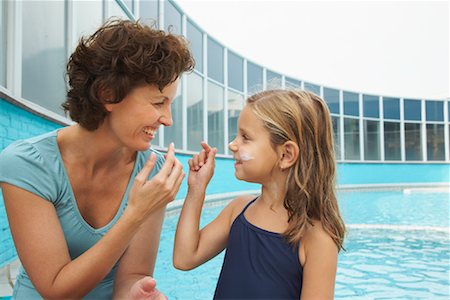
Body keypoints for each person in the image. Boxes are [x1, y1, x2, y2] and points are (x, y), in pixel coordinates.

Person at [0, 19, 194, 299]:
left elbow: (133, 276)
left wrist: (137, 292)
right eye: (157, 103)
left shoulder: (154, 172)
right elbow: (57, 290)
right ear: (109, 94)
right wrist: (135, 214)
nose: (168, 119)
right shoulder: (27, 165)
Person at [174, 89, 346, 299]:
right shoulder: (238, 210)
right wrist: (196, 189)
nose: (232, 144)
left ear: (286, 154)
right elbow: (184, 258)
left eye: (245, 137)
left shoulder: (316, 240)